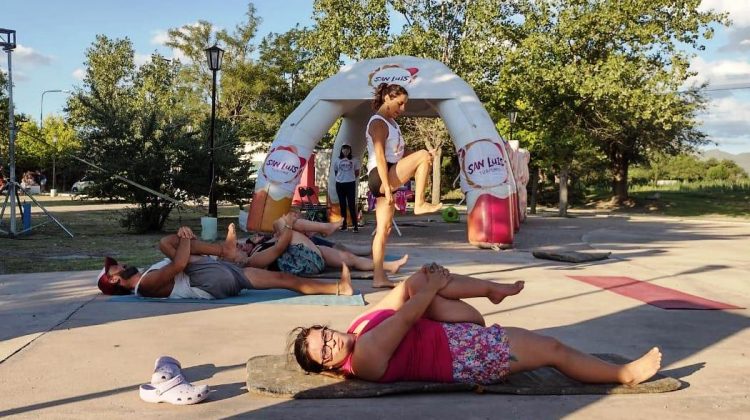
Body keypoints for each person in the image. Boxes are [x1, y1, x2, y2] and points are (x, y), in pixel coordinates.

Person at [290, 263, 663, 387]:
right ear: (330, 366)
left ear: (327, 328)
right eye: (324, 353)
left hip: (457, 331)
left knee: (416, 281)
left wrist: (426, 280)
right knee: (552, 349)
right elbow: (406, 316)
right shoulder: (366, 358)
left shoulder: (358, 325)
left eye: (324, 337)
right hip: (467, 357)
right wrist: (434, 286)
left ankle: (491, 290)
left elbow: (403, 293)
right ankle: (623, 375)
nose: (330, 345)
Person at [97, 223, 353, 299]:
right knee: (166, 244)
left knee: (283, 279)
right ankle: (226, 250)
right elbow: (178, 266)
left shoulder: (147, 274)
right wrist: (184, 237)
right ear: (115, 279)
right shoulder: (146, 285)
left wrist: (182, 242)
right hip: (206, 280)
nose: (119, 264)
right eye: (115, 267)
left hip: (211, 273)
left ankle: (339, 288)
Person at [367, 83, 442, 288]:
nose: (402, 109)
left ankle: (378, 278)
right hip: (380, 174)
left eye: (404, 105)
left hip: (391, 172)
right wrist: (386, 185)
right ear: (387, 99)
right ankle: (419, 203)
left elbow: (402, 154)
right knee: (422, 155)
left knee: (384, 229)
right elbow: (380, 156)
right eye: (399, 104)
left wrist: (427, 157)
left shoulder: (393, 123)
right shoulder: (378, 123)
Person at [229, 213, 409, 277]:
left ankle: (388, 266)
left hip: (307, 257)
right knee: (281, 223)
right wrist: (289, 226)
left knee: (349, 259)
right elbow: (279, 247)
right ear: (236, 261)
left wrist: (290, 226)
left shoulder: (259, 246)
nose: (241, 245)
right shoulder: (253, 261)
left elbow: (282, 241)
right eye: (237, 249)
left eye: (239, 244)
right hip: (303, 262)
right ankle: (327, 228)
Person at [333, 144, 360, 232]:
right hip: (340, 184)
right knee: (342, 205)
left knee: (351, 204)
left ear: (350, 150)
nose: (346, 151)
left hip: (350, 184)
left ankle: (355, 225)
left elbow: (357, 172)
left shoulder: (354, 160)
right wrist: (341, 178)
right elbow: (336, 171)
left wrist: (350, 177)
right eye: (344, 149)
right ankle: (344, 225)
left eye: (347, 149)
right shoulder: (337, 160)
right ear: (341, 150)